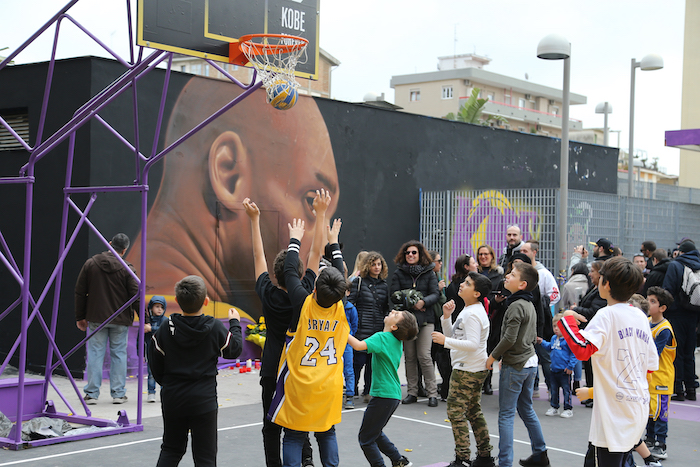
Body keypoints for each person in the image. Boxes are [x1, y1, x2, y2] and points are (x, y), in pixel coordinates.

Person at [126, 78, 339, 321]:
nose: (320, 244)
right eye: (310, 200)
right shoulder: (227, 324)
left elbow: (262, 258)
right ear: (229, 172)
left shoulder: (140, 304)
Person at [244, 192, 333, 467]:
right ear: (299, 271)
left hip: (273, 367)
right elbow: (317, 252)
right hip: (298, 369)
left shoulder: (268, 294)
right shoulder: (305, 293)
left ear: (275, 273)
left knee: (271, 425)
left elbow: (258, 254)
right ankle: (306, 461)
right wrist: (320, 215)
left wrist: (254, 219)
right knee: (298, 421)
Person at [558, 257, 659, 467]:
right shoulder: (640, 317)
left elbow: (582, 349)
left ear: (607, 284)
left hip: (613, 413)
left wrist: (567, 319)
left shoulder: (606, 315)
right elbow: (649, 366)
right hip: (636, 405)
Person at [269, 218, 349, 467]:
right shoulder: (341, 307)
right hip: (330, 384)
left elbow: (290, 271)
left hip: (301, 384)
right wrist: (333, 242)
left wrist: (295, 239)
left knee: (293, 435)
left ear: (314, 288)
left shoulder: (303, 304)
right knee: (327, 432)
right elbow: (340, 274)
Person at [149, 275, 243, 466]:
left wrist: (168, 384)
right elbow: (234, 350)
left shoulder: (165, 329)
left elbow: (155, 364)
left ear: (176, 301)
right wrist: (235, 323)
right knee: (205, 458)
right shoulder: (215, 327)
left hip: (174, 398)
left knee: (171, 449)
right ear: (206, 302)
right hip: (203, 401)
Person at [486, 261, 549, 467]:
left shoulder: (515, 306)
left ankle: (505, 462)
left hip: (516, 364)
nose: (507, 277)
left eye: (512, 275)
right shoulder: (528, 303)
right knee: (526, 409)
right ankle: (540, 454)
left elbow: (509, 338)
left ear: (522, 284)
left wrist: (493, 356)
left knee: (506, 414)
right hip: (530, 363)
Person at [432, 272, 496, 467]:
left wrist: (445, 341)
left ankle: (463, 458)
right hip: (471, 367)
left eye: (467, 283)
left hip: (468, 369)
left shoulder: (473, 314)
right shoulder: (469, 310)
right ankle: (485, 456)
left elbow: (473, 344)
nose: (461, 284)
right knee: (473, 411)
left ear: (476, 293)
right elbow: (457, 337)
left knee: (456, 412)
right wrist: (446, 317)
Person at [347, 309, 419, 467]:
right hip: (392, 396)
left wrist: (342, 331)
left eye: (395, 314)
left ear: (394, 327)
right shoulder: (396, 341)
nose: (392, 310)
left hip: (383, 396)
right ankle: (398, 460)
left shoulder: (382, 338)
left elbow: (358, 346)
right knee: (375, 432)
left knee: (366, 438)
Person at [75, 233, 139, 405]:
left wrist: (80, 317)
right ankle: (118, 394)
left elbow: (80, 292)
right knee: (119, 355)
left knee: (95, 353)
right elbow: (136, 296)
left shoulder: (91, 264)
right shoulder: (128, 269)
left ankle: (91, 394)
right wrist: (145, 319)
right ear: (124, 250)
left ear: (109, 243)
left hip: (96, 318)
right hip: (120, 319)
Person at [390, 241, 440, 407]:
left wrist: (423, 302)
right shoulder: (399, 273)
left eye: (413, 252)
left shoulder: (429, 273)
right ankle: (412, 392)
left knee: (424, 356)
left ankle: (432, 393)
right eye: (407, 253)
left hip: (426, 321)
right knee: (409, 357)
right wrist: (412, 301)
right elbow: (394, 296)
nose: (410, 255)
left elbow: (436, 294)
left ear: (420, 255)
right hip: (406, 322)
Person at [348, 251, 390, 403]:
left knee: (372, 363)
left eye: (379, 264)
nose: (377, 267)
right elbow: (351, 303)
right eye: (373, 264)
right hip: (361, 328)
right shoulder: (358, 282)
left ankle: (367, 392)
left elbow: (385, 308)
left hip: (377, 328)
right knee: (358, 362)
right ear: (367, 266)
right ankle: (351, 391)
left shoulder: (384, 286)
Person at [661, 239, 700, 401]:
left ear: (681, 252)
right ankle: (691, 388)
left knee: (675, 351)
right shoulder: (698, 266)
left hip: (676, 314)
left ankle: (678, 389)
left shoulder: (676, 265)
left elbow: (667, 291)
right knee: (689, 352)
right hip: (694, 314)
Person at [645, 287, 676, 460]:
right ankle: (649, 439)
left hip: (662, 377)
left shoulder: (664, 329)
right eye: (648, 300)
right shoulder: (647, 321)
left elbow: (654, 353)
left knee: (660, 412)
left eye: (652, 301)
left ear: (662, 308)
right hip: (650, 376)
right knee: (650, 411)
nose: (648, 303)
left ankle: (661, 444)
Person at [539, 313, 577, 419]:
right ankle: (554, 407)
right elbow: (549, 347)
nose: (556, 329)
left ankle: (568, 408)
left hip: (564, 370)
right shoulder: (553, 338)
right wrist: (542, 342)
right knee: (554, 390)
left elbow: (574, 354)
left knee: (566, 390)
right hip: (554, 369)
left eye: (559, 326)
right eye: (554, 326)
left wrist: (570, 366)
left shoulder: (568, 340)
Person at [428, 250, 450, 402]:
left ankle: (444, 386)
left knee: (440, 356)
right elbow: (438, 302)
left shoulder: (439, 278)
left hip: (440, 323)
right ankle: (429, 388)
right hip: (432, 322)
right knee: (429, 356)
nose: (440, 263)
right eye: (438, 260)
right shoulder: (432, 280)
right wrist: (438, 289)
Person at [144, 295, 167, 403]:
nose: (159, 309)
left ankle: (164, 392)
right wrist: (140, 352)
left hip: (163, 353)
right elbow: (141, 338)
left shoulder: (165, 321)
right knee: (151, 373)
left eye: (162, 307)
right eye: (157, 306)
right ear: (151, 308)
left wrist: (151, 329)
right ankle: (151, 392)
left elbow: (164, 332)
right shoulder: (147, 322)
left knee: (165, 372)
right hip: (151, 352)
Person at [343, 281, 359, 409]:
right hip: (334, 343)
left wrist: (349, 337)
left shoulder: (351, 308)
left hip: (347, 344)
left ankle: (350, 395)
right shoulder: (332, 306)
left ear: (348, 292)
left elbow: (354, 325)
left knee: (349, 369)